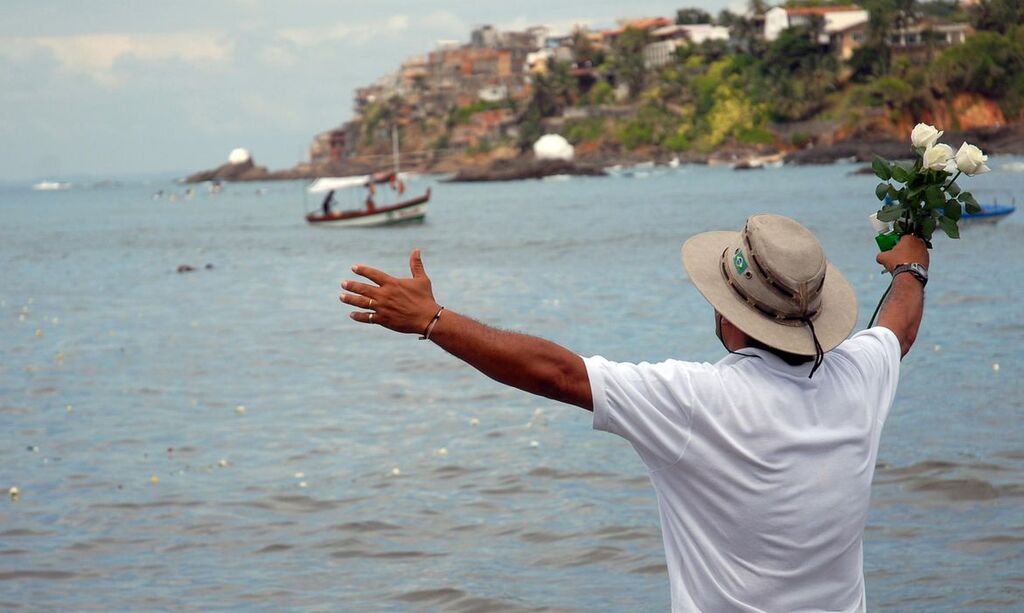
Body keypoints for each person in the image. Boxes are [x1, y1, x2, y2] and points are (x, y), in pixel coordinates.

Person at [339, 214, 928, 612]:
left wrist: (432, 319)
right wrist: (911, 264)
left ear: (730, 315)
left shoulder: (696, 401)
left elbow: (559, 373)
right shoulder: (859, 377)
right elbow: (897, 327)